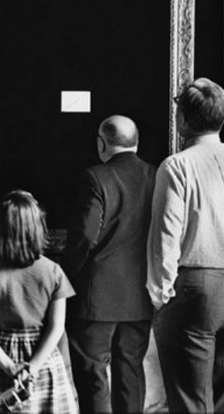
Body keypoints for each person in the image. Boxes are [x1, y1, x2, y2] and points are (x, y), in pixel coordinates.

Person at [146, 78, 224, 413]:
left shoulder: (177, 166)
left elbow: (165, 238)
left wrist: (160, 295)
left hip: (195, 290)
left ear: (183, 120)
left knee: (190, 400)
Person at [62, 115, 156, 414]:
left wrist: (66, 276)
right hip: (140, 297)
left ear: (101, 143)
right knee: (131, 372)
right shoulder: (155, 175)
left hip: (96, 300)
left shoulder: (95, 177)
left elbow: (85, 236)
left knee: (93, 379)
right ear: (136, 141)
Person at [0, 190, 78, 414]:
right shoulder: (53, 271)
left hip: (3, 360)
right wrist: (33, 368)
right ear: (37, 227)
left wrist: (10, 366)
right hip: (43, 359)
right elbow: (57, 327)